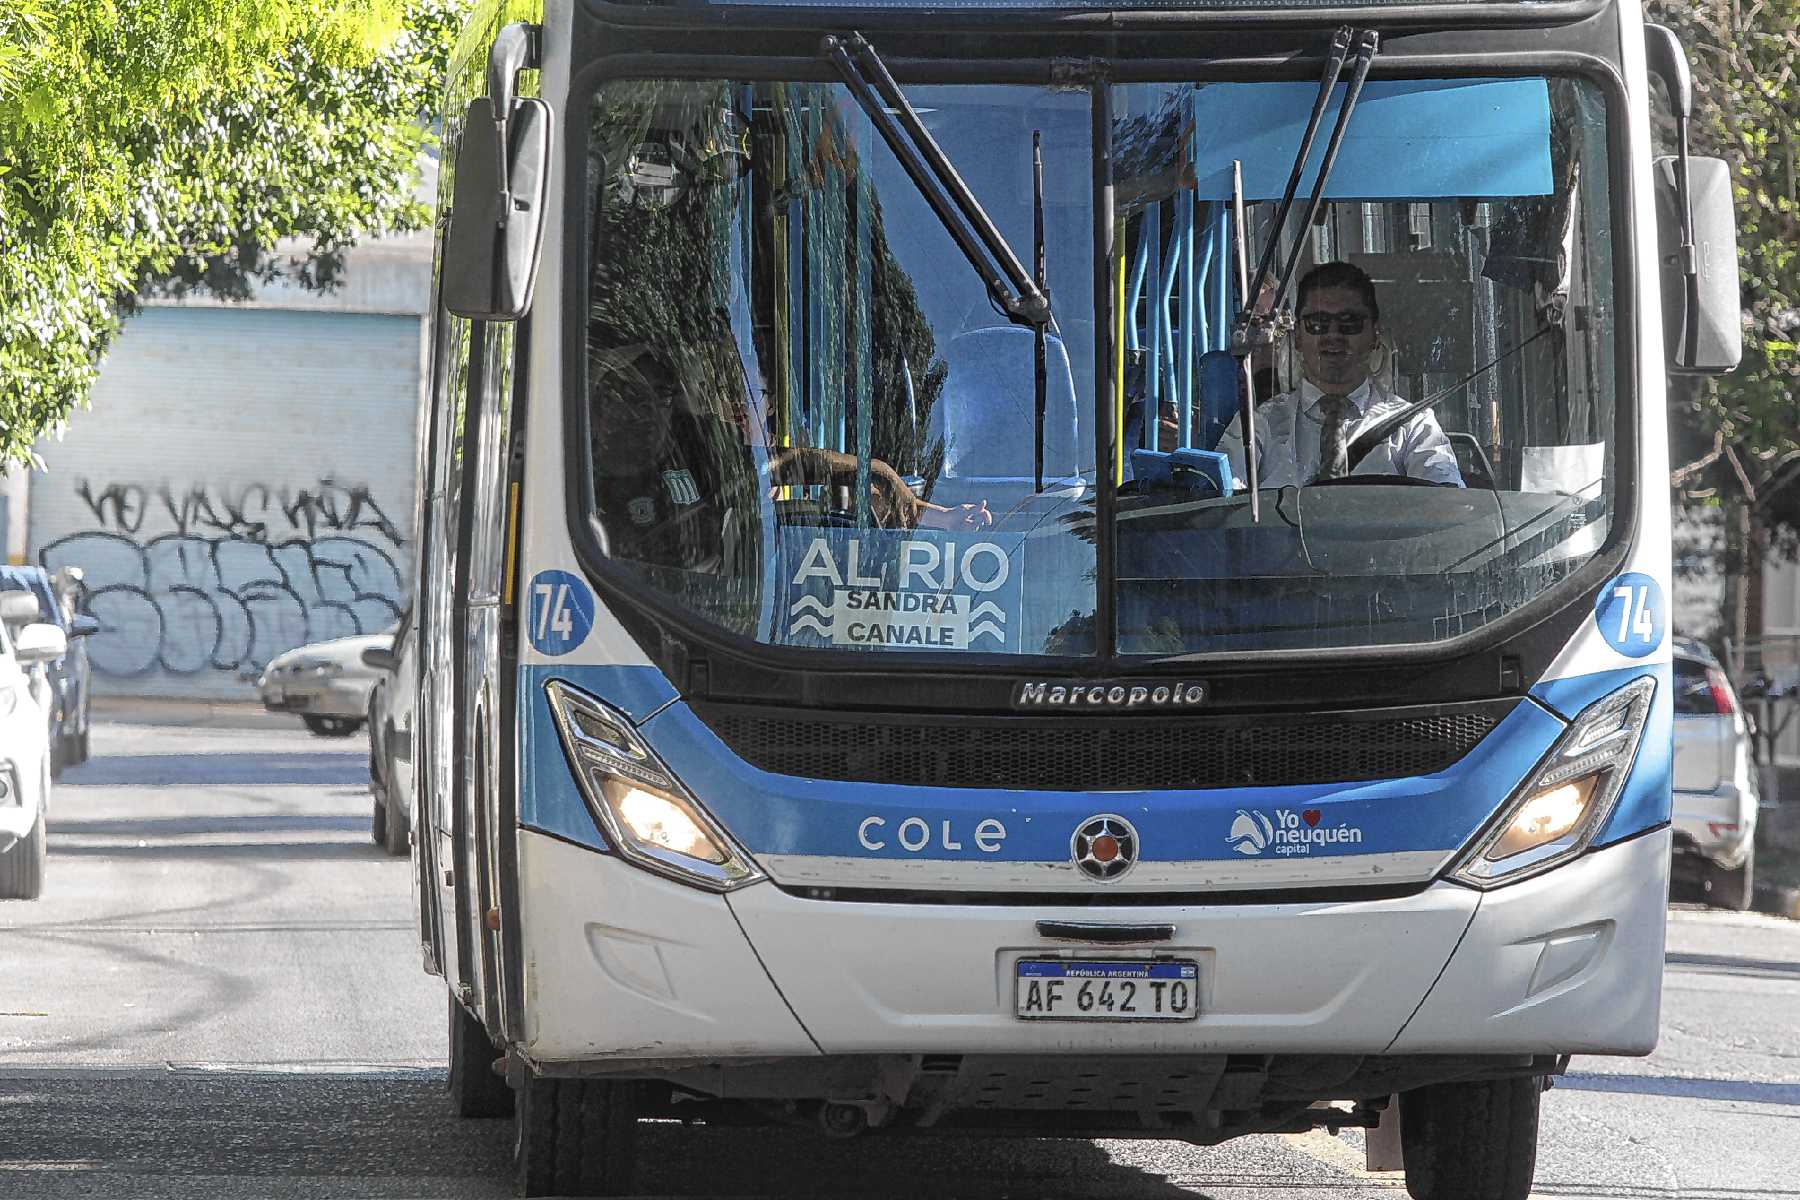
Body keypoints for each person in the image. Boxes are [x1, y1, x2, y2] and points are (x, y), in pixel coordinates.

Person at [589, 345, 989, 572]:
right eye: (630, 399)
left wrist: (943, 517)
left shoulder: (733, 452)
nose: (739, 406)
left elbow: (833, 469)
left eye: (751, 395)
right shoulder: (597, 463)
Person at [1218, 261, 1463, 488]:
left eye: (1350, 323)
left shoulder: (1414, 427)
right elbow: (1222, 502)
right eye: (1317, 323)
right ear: (1299, 337)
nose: (1333, 335)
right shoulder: (1257, 427)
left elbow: (1447, 504)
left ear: (1374, 335)